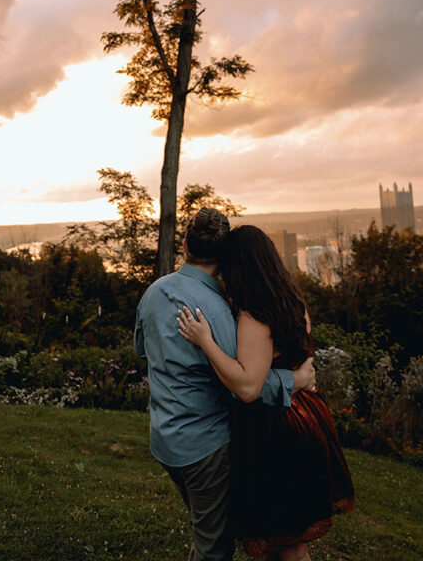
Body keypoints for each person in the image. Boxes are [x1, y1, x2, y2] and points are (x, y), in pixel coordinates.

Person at [134, 207, 317, 561]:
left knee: (206, 525)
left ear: (185, 243)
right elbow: (247, 382)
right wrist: (295, 379)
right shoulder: (218, 311)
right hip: (205, 445)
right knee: (214, 546)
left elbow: (143, 349)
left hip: (164, 438)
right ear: (223, 254)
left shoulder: (154, 293)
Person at [178, 224, 355, 561]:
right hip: (308, 417)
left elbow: (247, 387)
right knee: (290, 543)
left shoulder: (253, 315)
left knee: (286, 544)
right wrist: (296, 378)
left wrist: (206, 342)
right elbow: (303, 360)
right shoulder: (293, 302)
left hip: (277, 432)